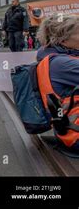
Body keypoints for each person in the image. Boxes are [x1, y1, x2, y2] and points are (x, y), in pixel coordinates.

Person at [36, 14, 79, 152]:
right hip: (75, 134)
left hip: (69, 129)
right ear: (64, 40)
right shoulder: (62, 63)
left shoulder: (52, 57)